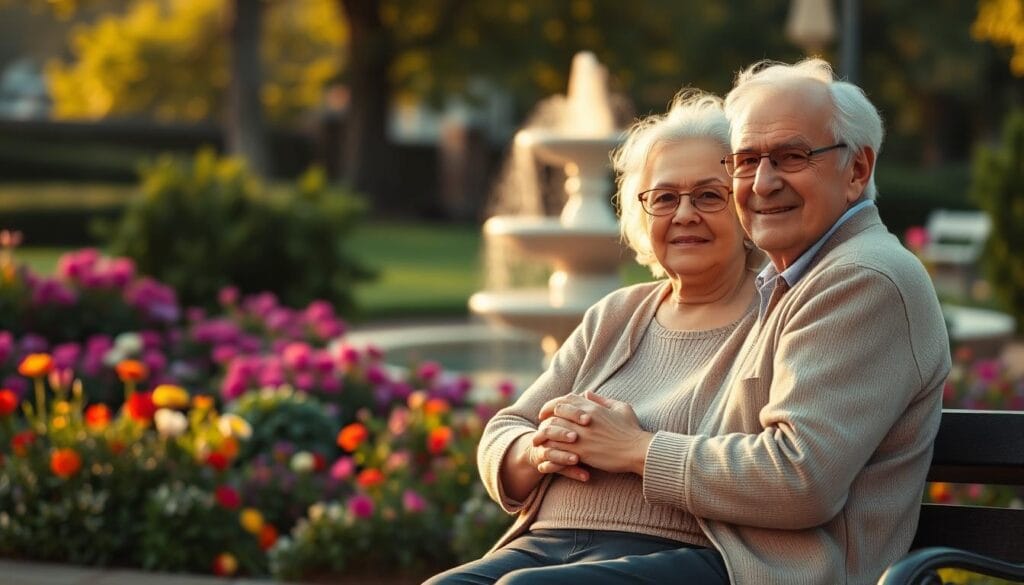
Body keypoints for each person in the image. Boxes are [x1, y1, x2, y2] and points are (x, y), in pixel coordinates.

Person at [533, 59, 951, 585]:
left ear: (858, 171)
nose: (763, 182)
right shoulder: (794, 278)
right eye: (747, 160)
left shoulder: (863, 278)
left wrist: (634, 448)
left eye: (792, 156)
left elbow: (800, 478)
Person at [425, 91, 765, 584]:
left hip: (683, 551)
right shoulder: (616, 314)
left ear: (744, 207)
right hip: (547, 541)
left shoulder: (775, 317)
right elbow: (505, 429)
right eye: (665, 198)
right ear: (642, 215)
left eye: (709, 195)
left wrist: (635, 446)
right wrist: (538, 449)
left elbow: (780, 471)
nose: (684, 214)